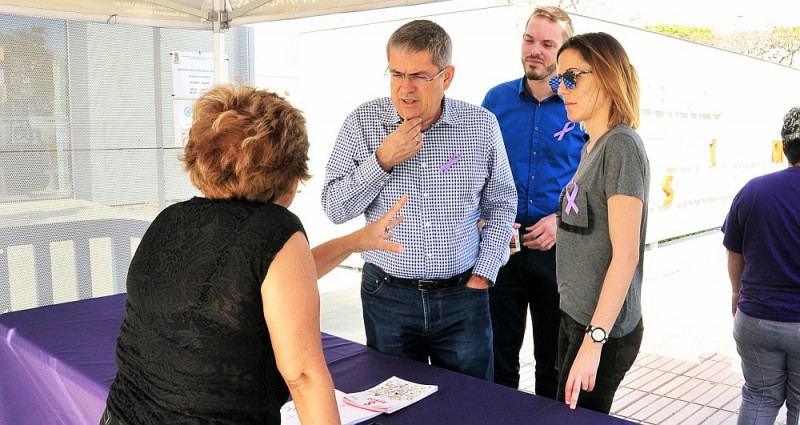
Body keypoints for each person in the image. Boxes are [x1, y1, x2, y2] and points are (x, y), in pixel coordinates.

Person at [101, 84, 408, 425]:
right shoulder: (274, 228)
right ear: (287, 170)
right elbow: (303, 376)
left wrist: (355, 241)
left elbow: (266, 282)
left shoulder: (171, 219)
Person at [321, 19, 517, 381]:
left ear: (447, 76)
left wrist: (483, 275)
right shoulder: (363, 123)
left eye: (419, 76)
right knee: (394, 401)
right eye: (396, 74)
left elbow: (502, 204)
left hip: (463, 297)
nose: (405, 88)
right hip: (387, 296)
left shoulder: (481, 125)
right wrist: (382, 160)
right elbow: (334, 207)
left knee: (469, 401)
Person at [481, 6, 585, 396]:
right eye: (529, 40)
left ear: (565, 51)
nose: (535, 51)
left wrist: (561, 220)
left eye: (547, 44)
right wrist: (482, 216)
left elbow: (591, 180)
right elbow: (474, 166)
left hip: (556, 251)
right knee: (498, 358)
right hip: (500, 248)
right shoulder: (496, 100)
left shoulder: (581, 106)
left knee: (554, 362)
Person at [552, 32, 649, 413]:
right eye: (559, 80)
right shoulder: (592, 144)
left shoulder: (621, 146)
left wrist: (594, 341)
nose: (563, 89)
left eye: (572, 77)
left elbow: (626, 255)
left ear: (608, 74)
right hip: (577, 315)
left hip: (600, 329)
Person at [722, 106, 800, 425]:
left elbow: (734, 252)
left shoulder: (754, 190)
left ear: (784, 146)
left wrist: (736, 292)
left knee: (759, 397)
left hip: (756, 318)